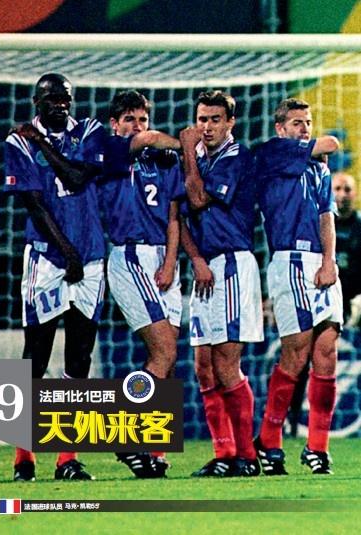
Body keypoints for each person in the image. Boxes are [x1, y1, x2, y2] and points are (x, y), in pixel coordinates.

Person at [4, 73, 106, 481]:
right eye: (51, 99)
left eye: (65, 98)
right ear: (36, 102)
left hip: (91, 260)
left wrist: (43, 144)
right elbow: (33, 203)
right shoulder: (17, 143)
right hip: (46, 260)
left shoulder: (90, 131)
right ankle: (23, 456)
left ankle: (67, 458)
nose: (60, 104)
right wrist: (66, 251)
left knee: (80, 358)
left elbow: (78, 177)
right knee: (36, 356)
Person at [254, 97, 343, 475]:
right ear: (280, 129)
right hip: (288, 260)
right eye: (296, 123)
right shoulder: (273, 153)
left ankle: (317, 448)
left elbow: (326, 216)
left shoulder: (318, 168)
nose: (304, 128)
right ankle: (269, 439)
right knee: (296, 353)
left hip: (320, 262)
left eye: (307, 122)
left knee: (327, 350)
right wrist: (317, 145)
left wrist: (329, 261)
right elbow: (332, 143)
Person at [180, 90, 263, 477]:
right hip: (204, 267)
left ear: (231, 122)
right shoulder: (197, 159)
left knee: (227, 363)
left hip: (231, 264)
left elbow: (197, 200)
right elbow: (178, 217)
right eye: (202, 119)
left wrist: (186, 150)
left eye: (215, 119)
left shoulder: (236, 157)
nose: (207, 127)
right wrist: (196, 260)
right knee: (203, 366)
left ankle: (247, 456)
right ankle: (224, 453)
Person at [101, 90, 183, 478]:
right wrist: (184, 142)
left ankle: (153, 450)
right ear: (115, 123)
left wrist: (169, 263)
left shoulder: (162, 162)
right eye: (130, 119)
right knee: (164, 350)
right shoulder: (108, 150)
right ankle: (125, 432)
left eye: (143, 119)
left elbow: (174, 216)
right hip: (131, 255)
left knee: (165, 359)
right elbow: (148, 140)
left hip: (164, 261)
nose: (138, 126)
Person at [332, 172, 361, 323]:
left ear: (355, 193)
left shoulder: (359, 225)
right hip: (327, 297)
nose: (342, 194)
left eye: (347, 189)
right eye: (337, 189)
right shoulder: (319, 225)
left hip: (355, 300)